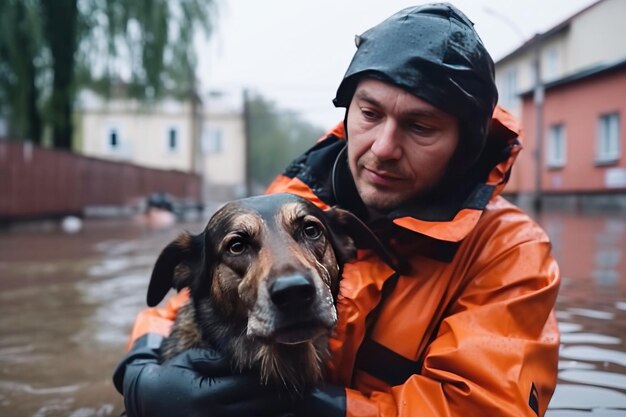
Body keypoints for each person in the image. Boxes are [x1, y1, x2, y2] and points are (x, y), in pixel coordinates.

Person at [112, 3, 560, 417]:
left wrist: (320, 409)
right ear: (349, 112)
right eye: (370, 113)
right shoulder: (290, 199)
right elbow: (202, 292)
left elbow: (490, 406)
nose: (383, 149)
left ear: (466, 145)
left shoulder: (510, 252)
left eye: (420, 127)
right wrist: (141, 370)